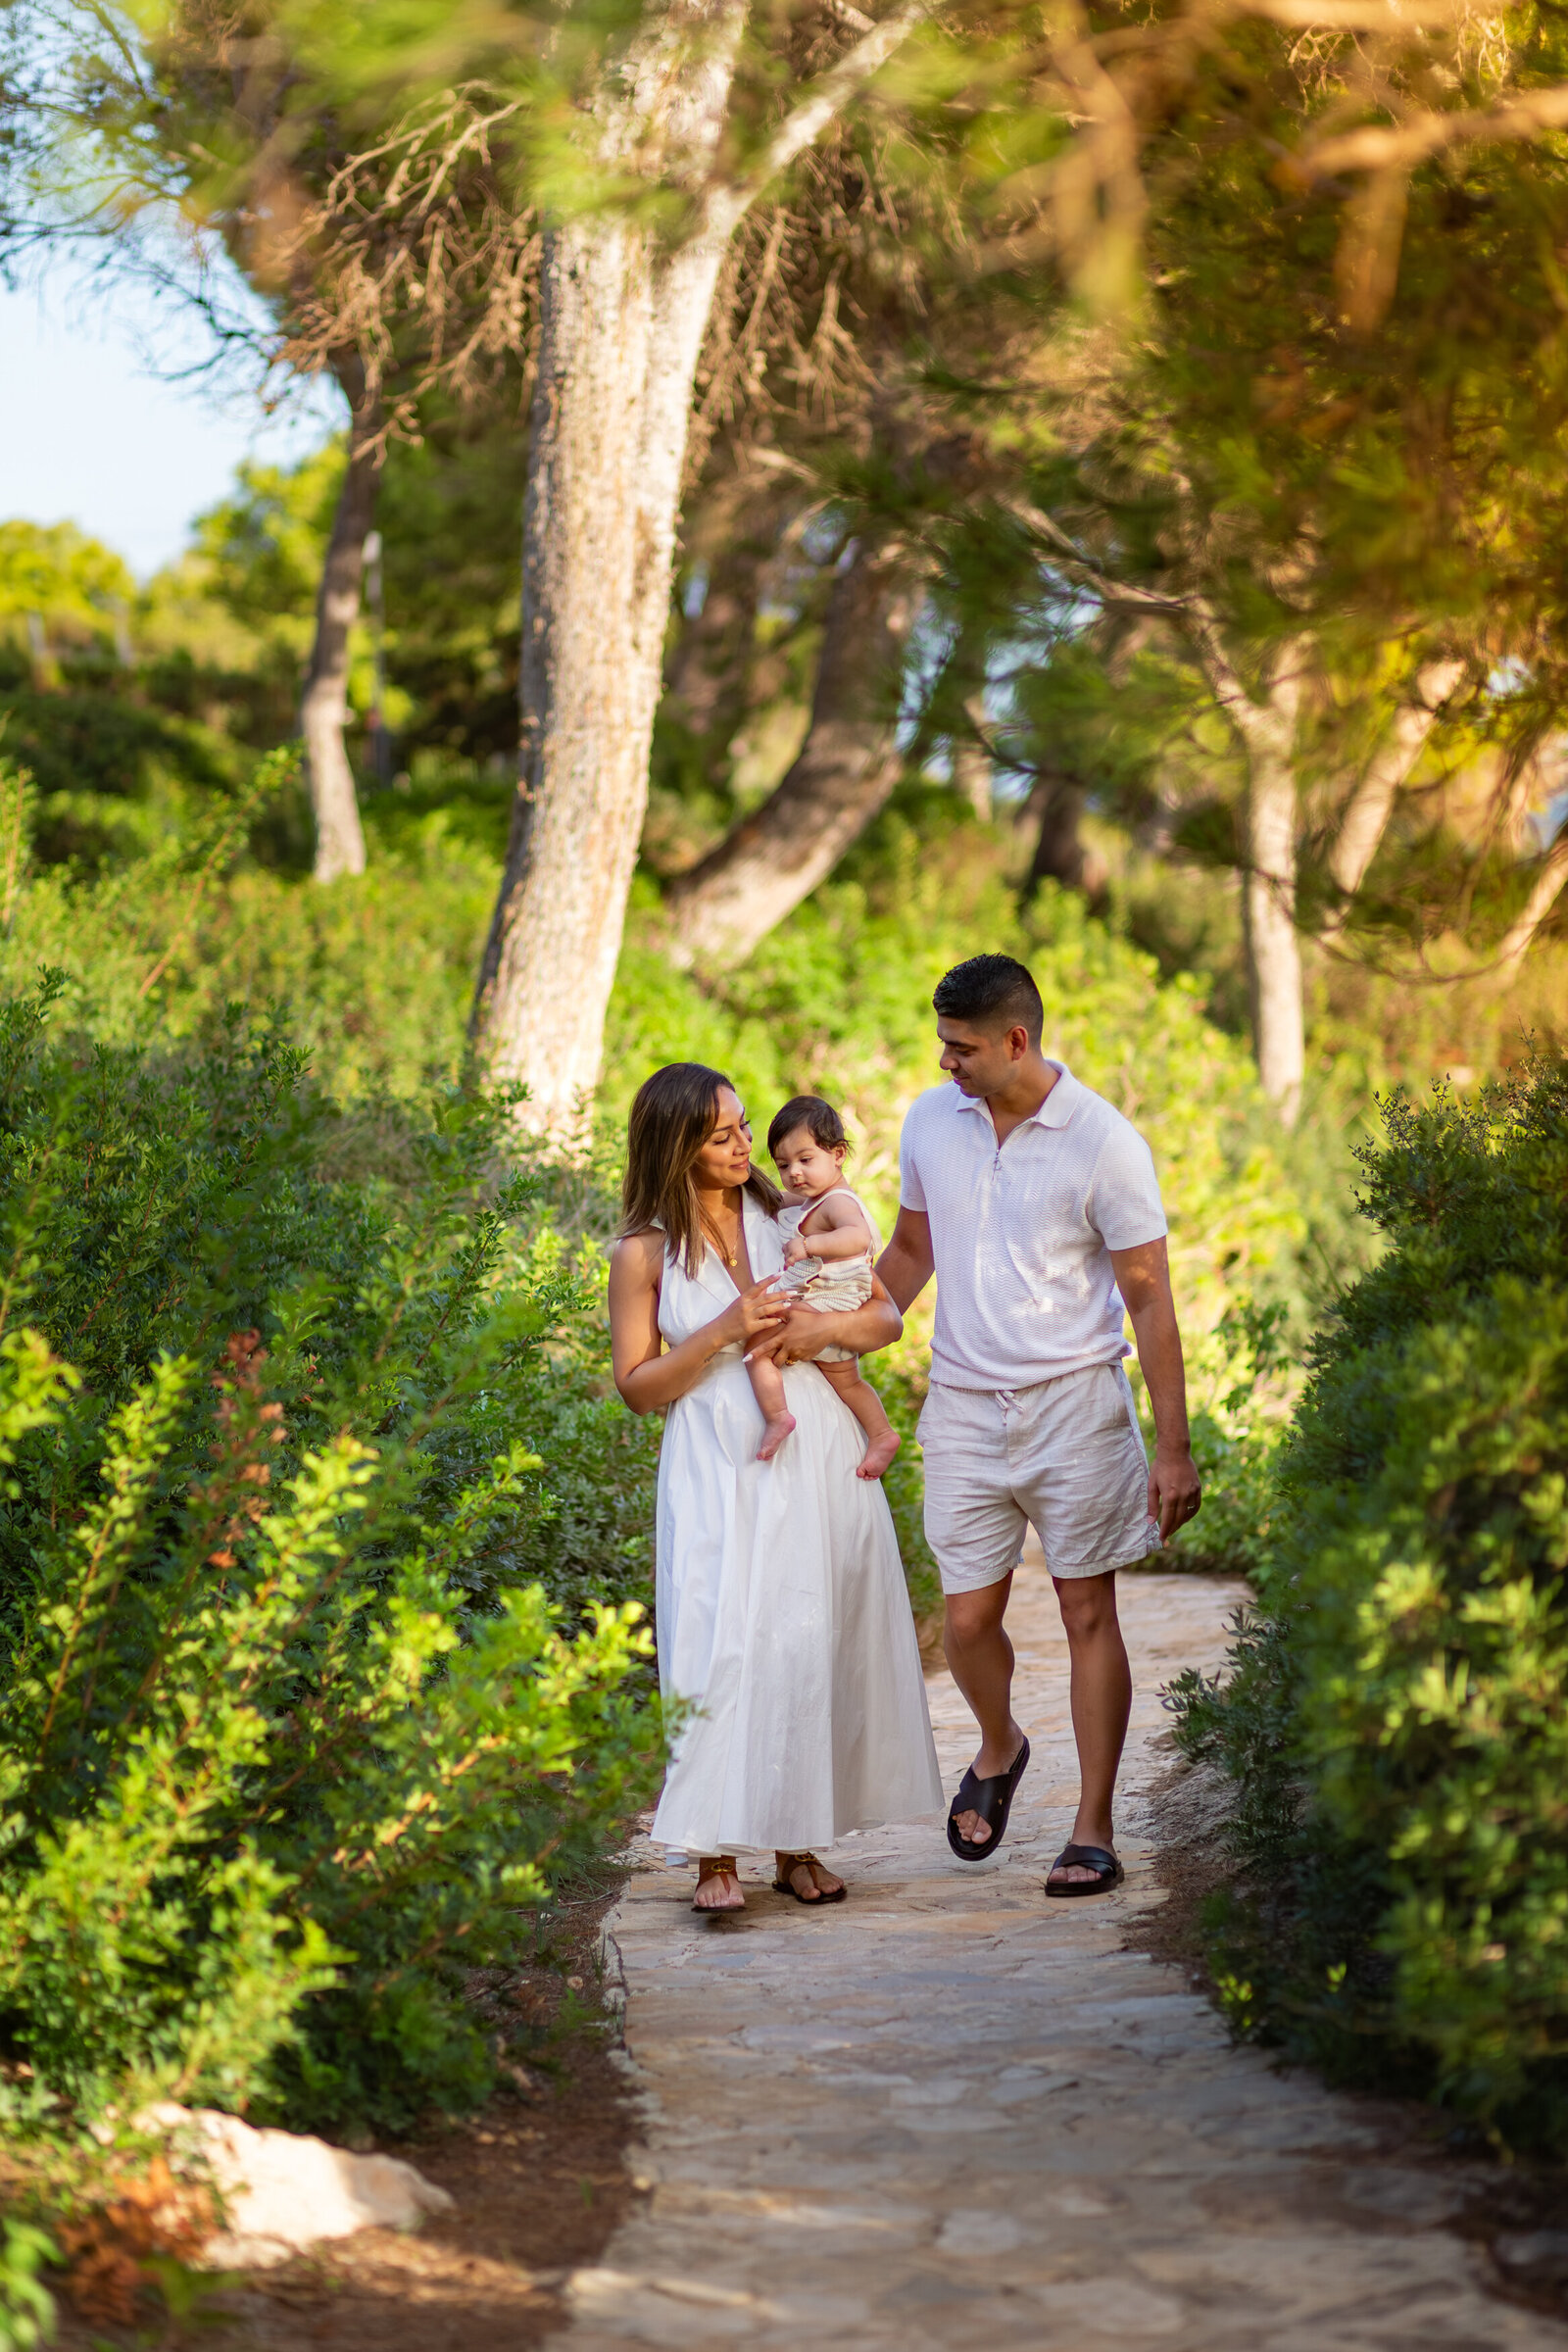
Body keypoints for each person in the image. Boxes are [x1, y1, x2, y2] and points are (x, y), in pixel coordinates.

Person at [876, 955, 1201, 1895]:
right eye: (943, 1043)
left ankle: (1093, 1826)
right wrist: (839, 1342)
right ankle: (998, 1743)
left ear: (1016, 1039)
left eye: (962, 1046)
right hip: (965, 1408)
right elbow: (908, 1252)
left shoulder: (1105, 1143)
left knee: (1084, 1608)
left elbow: (1151, 1303)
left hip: (1075, 1407)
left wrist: (1171, 1447)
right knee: (969, 1619)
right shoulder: (932, 1120)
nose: (946, 1062)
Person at [609, 1062, 943, 1915]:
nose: (743, 1145)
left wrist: (817, 1328)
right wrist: (724, 1330)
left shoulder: (791, 1214)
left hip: (813, 1445)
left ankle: (798, 1844)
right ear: (675, 1145)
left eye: (743, 1126)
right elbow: (639, 1386)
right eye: (721, 1135)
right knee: (719, 1639)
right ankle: (712, 1855)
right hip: (717, 1456)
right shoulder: (643, 1250)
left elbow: (882, 1318)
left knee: (805, 1637)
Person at [741, 1094, 902, 1481]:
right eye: (783, 1165)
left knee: (757, 1347)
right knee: (848, 1381)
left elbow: (857, 1236)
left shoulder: (836, 1202)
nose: (795, 1172)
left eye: (805, 1159)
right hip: (836, 1305)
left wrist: (809, 1245)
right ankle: (881, 1434)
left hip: (829, 1302)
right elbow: (780, 1200)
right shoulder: (816, 1199)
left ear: (839, 1154)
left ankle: (778, 1416)